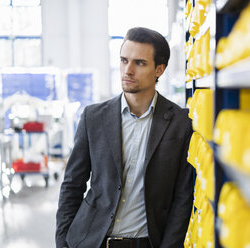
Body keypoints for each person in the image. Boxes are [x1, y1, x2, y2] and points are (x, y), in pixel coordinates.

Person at [56, 27, 193, 248]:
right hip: (91, 240)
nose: (127, 70)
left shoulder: (180, 123)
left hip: (146, 243)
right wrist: (62, 242)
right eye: (123, 60)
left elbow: (183, 198)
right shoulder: (93, 118)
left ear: (159, 69)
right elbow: (72, 185)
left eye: (139, 63)